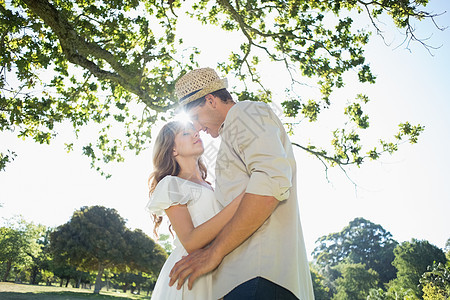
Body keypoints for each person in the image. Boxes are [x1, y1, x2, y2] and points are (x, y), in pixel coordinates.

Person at [169, 68, 315, 300]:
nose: (196, 128)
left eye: (195, 117)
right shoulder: (231, 134)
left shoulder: (245, 112)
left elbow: (270, 182)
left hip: (259, 276)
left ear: (211, 100)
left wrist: (214, 253)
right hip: (246, 280)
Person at [146, 121, 243, 299]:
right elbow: (190, 241)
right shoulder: (172, 184)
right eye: (185, 133)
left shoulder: (212, 187)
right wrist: (240, 202)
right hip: (191, 272)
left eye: (194, 131)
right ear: (173, 150)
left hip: (219, 269)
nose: (195, 134)